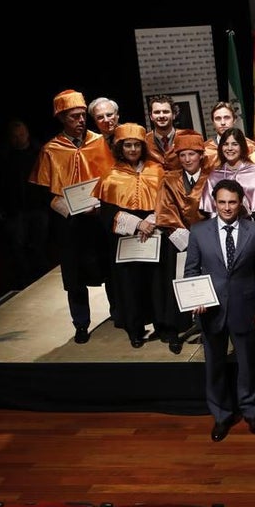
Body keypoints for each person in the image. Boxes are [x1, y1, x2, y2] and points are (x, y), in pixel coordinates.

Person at [185, 179, 255, 442]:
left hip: (245, 307)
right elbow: (191, 271)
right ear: (214, 202)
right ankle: (221, 415)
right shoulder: (198, 231)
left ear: (241, 202)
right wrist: (193, 299)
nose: (227, 207)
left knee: (248, 365)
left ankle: (251, 411)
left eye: (232, 202)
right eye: (221, 202)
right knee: (215, 366)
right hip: (211, 309)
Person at [30, 90, 112, 343]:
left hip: (98, 218)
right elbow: (43, 190)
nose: (80, 120)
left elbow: (112, 178)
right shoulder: (51, 150)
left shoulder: (98, 142)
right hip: (70, 224)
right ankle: (81, 324)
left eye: (81, 115)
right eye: (73, 116)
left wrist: (101, 204)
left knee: (109, 267)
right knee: (75, 276)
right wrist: (69, 208)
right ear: (62, 118)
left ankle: (119, 314)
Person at [95, 123, 165, 348]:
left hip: (154, 233)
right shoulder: (111, 175)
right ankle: (134, 329)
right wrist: (137, 224)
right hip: (125, 238)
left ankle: (161, 324)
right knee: (129, 284)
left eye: (137, 145)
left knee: (154, 281)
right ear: (120, 148)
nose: (133, 149)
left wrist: (150, 222)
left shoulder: (157, 170)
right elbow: (107, 212)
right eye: (128, 145)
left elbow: (165, 202)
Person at [153, 131, 210, 354]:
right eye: (183, 155)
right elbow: (164, 210)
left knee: (206, 285)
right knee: (179, 285)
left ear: (200, 155)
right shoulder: (169, 180)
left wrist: (201, 239)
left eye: (192, 154)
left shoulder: (211, 177)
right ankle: (177, 330)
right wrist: (186, 238)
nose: (187, 159)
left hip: (206, 239)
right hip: (178, 241)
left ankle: (206, 330)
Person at [0, 118, 50, 289]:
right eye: (14, 136)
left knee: (39, 244)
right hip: (14, 209)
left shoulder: (40, 152)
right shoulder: (2, 156)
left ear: (27, 134)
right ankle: (23, 281)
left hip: (38, 206)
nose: (18, 138)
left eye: (21, 134)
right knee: (17, 246)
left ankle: (41, 279)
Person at [199, 127, 255, 224]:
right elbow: (209, 212)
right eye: (225, 144)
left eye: (234, 144)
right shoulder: (214, 175)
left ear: (242, 147)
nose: (229, 148)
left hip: (253, 228)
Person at [203, 101, 255, 172]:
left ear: (234, 120)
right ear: (213, 122)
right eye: (218, 118)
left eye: (227, 118)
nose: (223, 123)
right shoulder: (206, 150)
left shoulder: (250, 146)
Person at [144, 94, 187, 170]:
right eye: (157, 112)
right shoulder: (144, 142)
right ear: (151, 117)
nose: (161, 115)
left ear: (173, 115)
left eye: (165, 112)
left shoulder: (187, 137)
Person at [88, 96, 120, 173]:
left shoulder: (130, 133)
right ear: (94, 121)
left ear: (117, 115)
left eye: (109, 115)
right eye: (100, 117)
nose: (106, 120)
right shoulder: (90, 142)